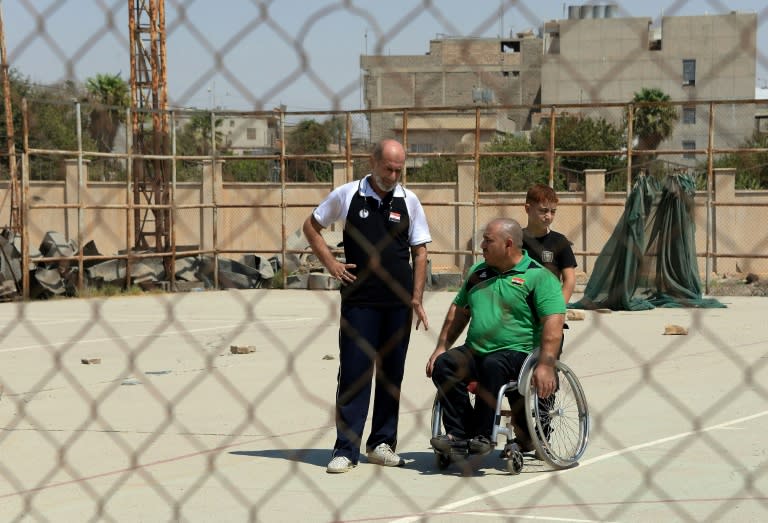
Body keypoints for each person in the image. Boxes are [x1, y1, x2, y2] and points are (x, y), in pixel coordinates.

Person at [303, 138, 432, 474]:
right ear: (372, 162)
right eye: (388, 167)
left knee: (392, 375)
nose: (393, 174)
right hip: (359, 302)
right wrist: (331, 264)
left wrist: (416, 297)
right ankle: (346, 449)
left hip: (398, 304)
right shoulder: (348, 195)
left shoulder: (409, 201)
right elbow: (312, 226)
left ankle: (382, 443)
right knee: (355, 374)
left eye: (399, 169)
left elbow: (420, 252)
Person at [426, 218, 565, 457]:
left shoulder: (538, 278)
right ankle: (461, 433)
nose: (482, 245)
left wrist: (546, 364)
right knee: (444, 364)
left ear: (508, 244)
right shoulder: (476, 272)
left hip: (518, 353)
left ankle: (483, 434)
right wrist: (441, 347)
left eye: (488, 241)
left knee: (493, 364)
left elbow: (553, 325)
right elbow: (459, 311)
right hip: (476, 350)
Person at [522, 183, 577, 304]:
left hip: (548, 304)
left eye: (553, 212)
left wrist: (559, 307)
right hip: (519, 304)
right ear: (527, 209)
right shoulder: (515, 240)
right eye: (543, 210)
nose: (548, 216)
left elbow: (570, 279)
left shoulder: (560, 241)